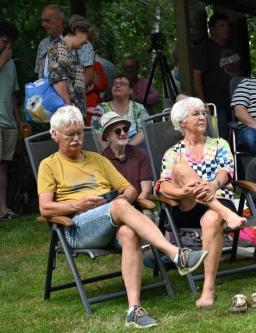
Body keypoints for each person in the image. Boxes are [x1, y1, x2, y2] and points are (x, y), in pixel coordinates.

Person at [38, 106, 208, 328]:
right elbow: (45, 208)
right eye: (70, 134)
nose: (77, 138)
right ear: (55, 135)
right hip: (76, 227)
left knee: (129, 233)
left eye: (80, 133)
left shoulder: (97, 160)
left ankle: (134, 310)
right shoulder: (49, 165)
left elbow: (129, 190)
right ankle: (176, 254)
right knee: (119, 207)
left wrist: (117, 206)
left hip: (109, 220)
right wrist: (77, 204)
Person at [156, 97, 247, 307]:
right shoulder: (173, 153)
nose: (202, 117)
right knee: (179, 168)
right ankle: (225, 214)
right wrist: (181, 191)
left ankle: (208, 289)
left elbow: (227, 172)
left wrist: (213, 185)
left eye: (203, 113)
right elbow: (162, 185)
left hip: (219, 199)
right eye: (196, 114)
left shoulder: (219, 144)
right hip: (188, 206)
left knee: (212, 219)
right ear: (182, 123)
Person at [192, 13, 241, 139]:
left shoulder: (233, 46)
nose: (226, 28)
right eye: (221, 25)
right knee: (221, 135)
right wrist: (203, 103)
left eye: (227, 25)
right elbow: (196, 75)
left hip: (236, 100)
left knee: (239, 133)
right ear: (212, 29)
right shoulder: (204, 48)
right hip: (216, 102)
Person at [0, 21, 30, 220]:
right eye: (4, 41)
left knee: (3, 165)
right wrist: (2, 60)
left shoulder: (10, 62)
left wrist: (19, 121)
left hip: (9, 121)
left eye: (10, 43)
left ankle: (2, 209)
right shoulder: (5, 59)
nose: (8, 46)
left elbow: (12, 95)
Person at [35, 6, 95, 87]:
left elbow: (88, 73)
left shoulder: (82, 42)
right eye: (42, 20)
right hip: (47, 96)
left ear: (60, 20)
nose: (43, 24)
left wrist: (73, 93)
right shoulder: (43, 44)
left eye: (47, 20)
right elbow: (40, 74)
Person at [100, 112, 152, 200]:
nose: (123, 133)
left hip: (141, 204)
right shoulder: (101, 160)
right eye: (117, 131)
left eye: (125, 129)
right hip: (114, 208)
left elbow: (146, 190)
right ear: (108, 137)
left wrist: (136, 208)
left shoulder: (141, 154)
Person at [46, 16, 91, 117]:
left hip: (72, 114)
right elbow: (57, 79)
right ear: (77, 31)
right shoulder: (59, 47)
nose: (87, 41)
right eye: (87, 36)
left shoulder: (71, 51)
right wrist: (69, 108)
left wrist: (84, 108)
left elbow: (72, 85)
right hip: (66, 116)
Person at [92, 75, 147, 148]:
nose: (117, 85)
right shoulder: (101, 108)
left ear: (130, 90)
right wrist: (109, 153)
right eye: (115, 83)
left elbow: (144, 130)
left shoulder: (138, 108)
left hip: (136, 151)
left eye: (123, 84)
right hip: (109, 153)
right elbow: (97, 133)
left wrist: (127, 149)